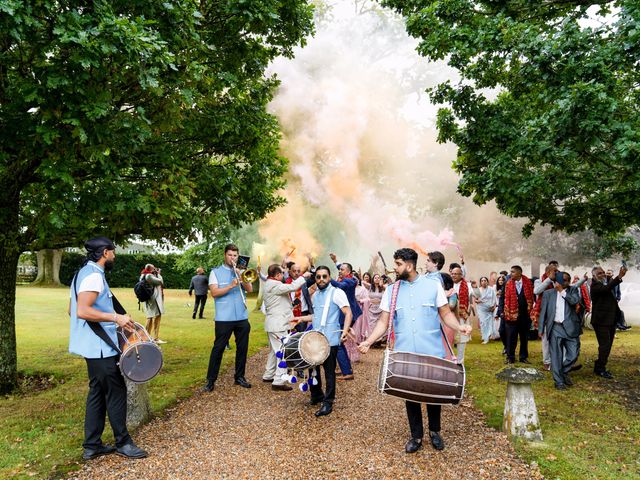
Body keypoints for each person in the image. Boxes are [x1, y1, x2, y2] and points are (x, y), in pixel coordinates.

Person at [358, 248, 472, 452]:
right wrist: (368, 341)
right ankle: (416, 435)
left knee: (433, 391)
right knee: (410, 394)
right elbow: (383, 322)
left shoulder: (433, 286)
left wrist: (459, 327)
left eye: (398, 264)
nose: (395, 268)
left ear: (409, 265)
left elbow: (445, 314)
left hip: (432, 351)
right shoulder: (391, 291)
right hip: (405, 353)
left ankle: (435, 432)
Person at [69, 237, 147, 460]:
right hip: (100, 347)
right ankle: (123, 443)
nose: (115, 255)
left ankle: (91, 445)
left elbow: (71, 309)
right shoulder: (93, 276)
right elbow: (82, 310)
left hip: (90, 346)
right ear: (105, 253)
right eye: (113, 251)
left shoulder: (81, 274)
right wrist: (115, 318)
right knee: (115, 392)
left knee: (97, 393)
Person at [293, 266, 352, 417]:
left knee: (329, 372)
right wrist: (300, 318)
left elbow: (348, 313)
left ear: (329, 277)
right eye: (318, 277)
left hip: (331, 339)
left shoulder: (337, 292)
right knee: (313, 368)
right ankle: (316, 394)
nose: (321, 280)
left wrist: (344, 331)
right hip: (316, 339)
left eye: (324, 276)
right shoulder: (316, 295)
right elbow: (316, 317)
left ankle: (328, 402)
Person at [203, 244, 253, 392]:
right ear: (225, 255)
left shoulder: (241, 271)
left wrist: (240, 274)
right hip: (224, 318)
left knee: (242, 349)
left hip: (242, 317)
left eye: (235, 256)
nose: (233, 258)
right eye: (230, 255)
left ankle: (239, 377)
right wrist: (231, 286)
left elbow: (249, 289)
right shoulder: (215, 272)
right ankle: (210, 381)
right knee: (218, 349)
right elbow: (214, 293)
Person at [262, 264, 311, 390]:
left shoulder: (269, 283)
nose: (283, 275)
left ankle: (269, 374)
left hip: (273, 323)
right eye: (281, 274)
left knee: (274, 351)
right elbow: (293, 287)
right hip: (278, 324)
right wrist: (303, 276)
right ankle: (278, 381)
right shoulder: (274, 284)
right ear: (277, 275)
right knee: (283, 352)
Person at [537, 272, 584, 390]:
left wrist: (562, 291)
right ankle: (558, 382)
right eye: (564, 280)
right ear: (557, 281)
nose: (567, 282)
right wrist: (541, 328)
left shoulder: (573, 290)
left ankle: (563, 371)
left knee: (573, 354)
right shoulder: (548, 294)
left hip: (571, 327)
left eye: (568, 280)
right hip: (555, 328)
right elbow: (544, 312)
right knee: (556, 356)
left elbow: (574, 302)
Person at [328, 253, 362, 380]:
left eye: (342, 269)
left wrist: (326, 278)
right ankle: (346, 369)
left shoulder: (350, 281)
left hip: (347, 316)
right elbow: (341, 271)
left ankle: (347, 372)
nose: (340, 271)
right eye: (340, 269)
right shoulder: (347, 277)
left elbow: (341, 286)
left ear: (348, 271)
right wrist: (336, 261)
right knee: (338, 342)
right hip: (345, 315)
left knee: (337, 342)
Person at [590, 265, 627, 379]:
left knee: (608, 345)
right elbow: (606, 289)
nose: (603, 274)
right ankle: (600, 369)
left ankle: (599, 365)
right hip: (601, 321)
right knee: (604, 346)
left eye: (603, 272)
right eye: (599, 273)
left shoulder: (605, 283)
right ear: (594, 276)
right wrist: (619, 276)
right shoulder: (595, 285)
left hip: (610, 320)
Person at [503, 265, 534, 364]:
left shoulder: (528, 283)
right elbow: (501, 298)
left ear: (519, 273)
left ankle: (523, 357)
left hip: (525, 315)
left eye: (512, 272)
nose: (510, 274)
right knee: (511, 337)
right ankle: (510, 357)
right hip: (511, 316)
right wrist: (501, 311)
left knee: (524, 337)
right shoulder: (507, 283)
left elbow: (532, 298)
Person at [140, 264, 165, 343]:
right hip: (154, 300)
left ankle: (147, 337)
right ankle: (155, 338)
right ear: (151, 269)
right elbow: (161, 282)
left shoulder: (143, 275)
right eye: (154, 268)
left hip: (149, 300)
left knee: (150, 317)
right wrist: (159, 274)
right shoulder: (149, 276)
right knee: (156, 316)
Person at [450, 266, 471, 362]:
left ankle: (460, 361)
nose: (453, 275)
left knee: (461, 339)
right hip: (449, 316)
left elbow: (474, 298)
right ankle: (450, 359)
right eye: (452, 273)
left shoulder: (467, 286)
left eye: (456, 274)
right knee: (449, 338)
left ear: (461, 275)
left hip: (462, 316)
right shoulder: (448, 284)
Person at [473, 276, 497, 344]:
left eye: (485, 280)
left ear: (487, 281)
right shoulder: (478, 290)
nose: (483, 282)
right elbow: (476, 299)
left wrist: (494, 307)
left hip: (490, 309)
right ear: (480, 282)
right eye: (482, 281)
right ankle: (485, 338)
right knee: (483, 323)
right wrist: (478, 301)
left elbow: (494, 299)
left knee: (489, 323)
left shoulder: (491, 289)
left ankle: (488, 335)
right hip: (481, 309)